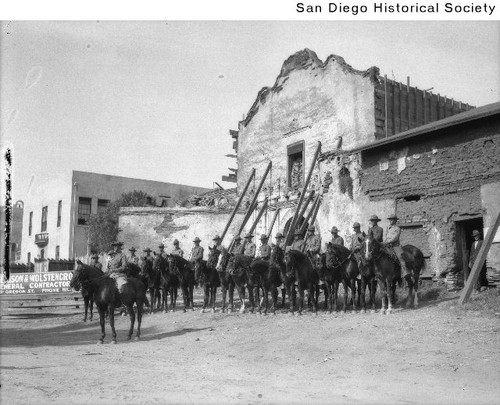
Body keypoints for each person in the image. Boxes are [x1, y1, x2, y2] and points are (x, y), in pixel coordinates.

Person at [384, 214, 409, 279]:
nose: (390, 221)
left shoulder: (397, 228)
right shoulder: (388, 227)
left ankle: (405, 272)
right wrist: (385, 242)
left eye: (392, 219)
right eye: (390, 219)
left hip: (395, 246)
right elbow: (386, 236)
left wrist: (388, 242)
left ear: (395, 220)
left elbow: (395, 238)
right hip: (387, 245)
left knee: (400, 257)